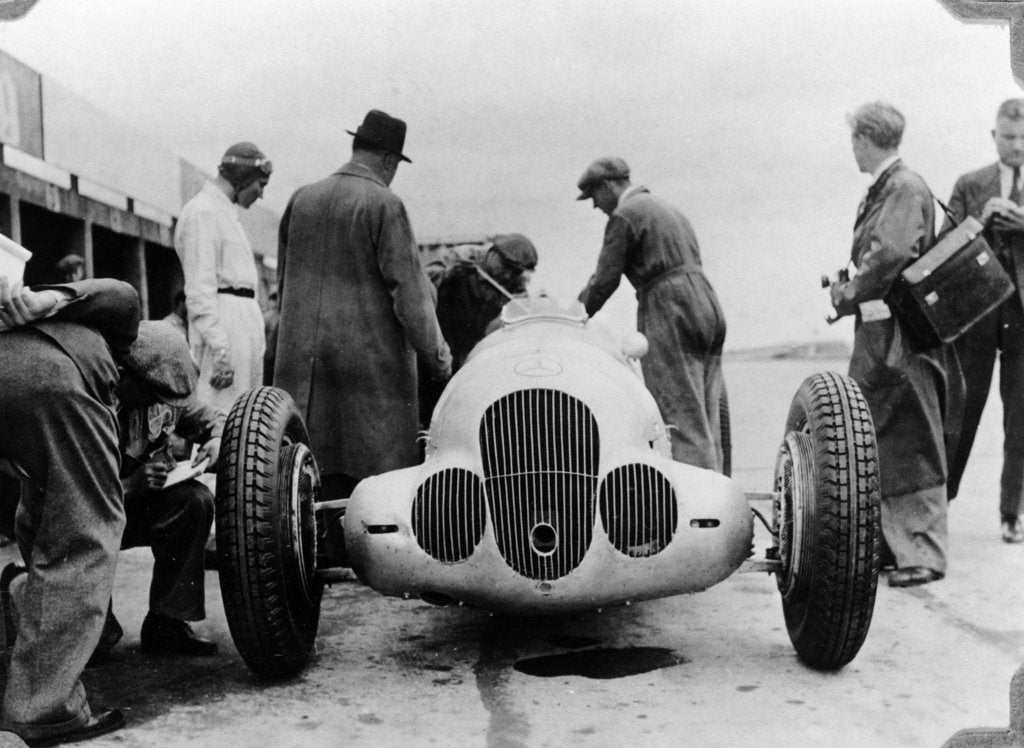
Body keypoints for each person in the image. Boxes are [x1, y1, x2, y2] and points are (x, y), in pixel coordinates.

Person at [274, 109, 451, 505]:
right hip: (370, 387)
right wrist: (438, 359)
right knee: (374, 499)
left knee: (308, 489)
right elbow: (411, 298)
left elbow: (284, 290)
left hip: (302, 378)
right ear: (390, 160)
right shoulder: (385, 204)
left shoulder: (301, 199)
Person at [829, 102, 963, 588]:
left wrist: (846, 292)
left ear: (866, 139)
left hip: (899, 335)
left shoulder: (902, 187)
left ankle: (923, 553)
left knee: (912, 435)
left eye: (854, 140)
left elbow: (890, 253)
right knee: (879, 435)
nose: (853, 150)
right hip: (882, 332)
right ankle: (897, 546)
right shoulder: (894, 186)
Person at [0, 276, 138, 745]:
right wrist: (52, 300)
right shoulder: (107, 337)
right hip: (49, 383)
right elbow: (125, 295)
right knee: (85, 534)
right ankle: (44, 710)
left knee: (38, 513)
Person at [575, 156, 727, 472]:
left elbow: (604, 281)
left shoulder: (624, 215)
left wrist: (574, 315)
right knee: (708, 417)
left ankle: (697, 507)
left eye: (593, 196)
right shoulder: (668, 209)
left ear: (607, 186)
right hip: (706, 301)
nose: (594, 206)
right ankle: (721, 495)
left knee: (681, 417)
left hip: (668, 306)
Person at [95, 320, 221, 661]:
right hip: (87, 518)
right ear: (127, 374)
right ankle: (89, 628)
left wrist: (217, 440)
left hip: (129, 513)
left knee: (193, 501)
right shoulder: (87, 402)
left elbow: (215, 418)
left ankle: (168, 622)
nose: (161, 402)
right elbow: (70, 497)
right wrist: (130, 485)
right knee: (93, 647)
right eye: (155, 392)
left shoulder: (160, 392)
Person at [941, 98, 1024, 544]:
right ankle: (941, 506)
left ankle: (1012, 514)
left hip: (1022, 317)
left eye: (1023, 136)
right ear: (994, 137)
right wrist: (980, 221)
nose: (1016, 145)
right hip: (976, 314)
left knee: (1021, 417)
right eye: (1008, 137)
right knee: (961, 410)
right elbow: (943, 244)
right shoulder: (970, 184)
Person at [174, 142, 271, 415]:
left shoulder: (224, 212)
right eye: (260, 184)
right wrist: (220, 350)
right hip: (225, 327)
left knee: (245, 422)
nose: (261, 194)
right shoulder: (203, 212)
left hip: (241, 324)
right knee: (219, 419)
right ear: (243, 179)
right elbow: (199, 290)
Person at [428, 233, 537, 370]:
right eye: (505, 266)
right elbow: (423, 283)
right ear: (493, 252)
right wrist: (449, 273)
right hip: (439, 343)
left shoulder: (516, 284)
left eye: (515, 271)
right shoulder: (461, 257)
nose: (508, 275)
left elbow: (519, 316)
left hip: (469, 348)